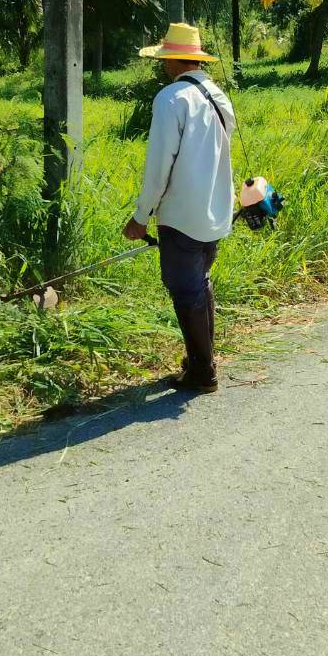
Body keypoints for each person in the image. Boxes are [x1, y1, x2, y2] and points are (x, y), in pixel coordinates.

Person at [124, 22, 236, 393]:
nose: (162, 66)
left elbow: (159, 167)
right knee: (200, 285)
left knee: (187, 291)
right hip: (215, 209)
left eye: (164, 59)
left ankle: (203, 373)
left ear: (173, 61)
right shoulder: (218, 95)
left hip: (181, 216)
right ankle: (200, 359)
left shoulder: (171, 98)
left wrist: (141, 217)